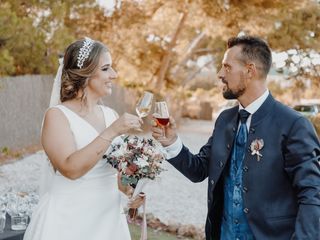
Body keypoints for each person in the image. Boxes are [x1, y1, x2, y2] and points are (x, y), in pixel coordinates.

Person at [152, 36, 320, 240]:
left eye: (227, 67)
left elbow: (312, 194)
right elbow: (199, 169)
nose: (220, 74)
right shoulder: (224, 119)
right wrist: (171, 142)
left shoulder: (293, 124)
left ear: (250, 71)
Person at [24, 37, 144, 240]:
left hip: (107, 221)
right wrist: (112, 131)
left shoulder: (111, 115)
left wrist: (132, 191)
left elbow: (118, 177)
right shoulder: (57, 115)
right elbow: (70, 169)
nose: (114, 75)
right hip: (67, 220)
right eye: (106, 68)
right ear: (85, 73)